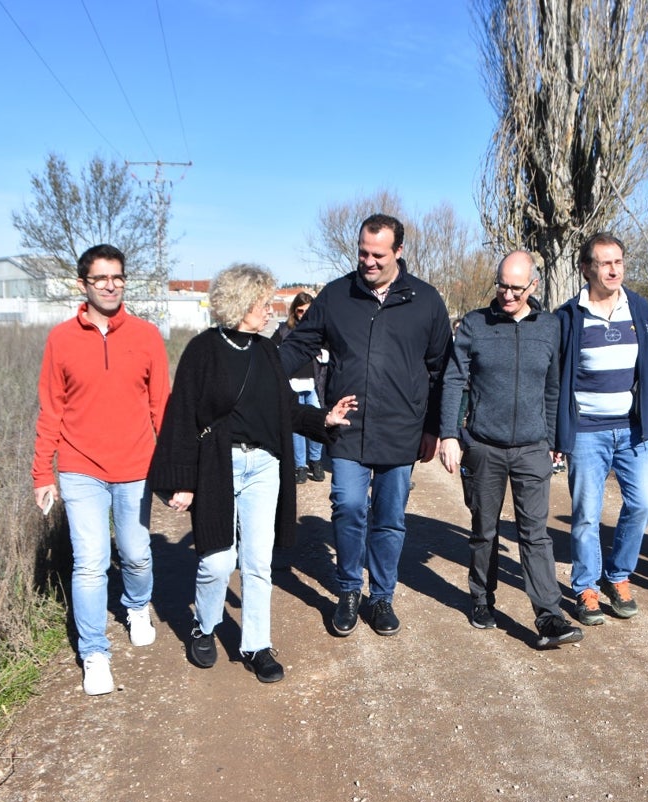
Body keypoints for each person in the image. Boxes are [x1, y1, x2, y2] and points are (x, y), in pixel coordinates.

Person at [148, 264, 357, 683]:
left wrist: (324, 421)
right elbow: (182, 416)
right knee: (218, 561)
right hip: (218, 466)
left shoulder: (266, 352)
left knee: (259, 562)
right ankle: (203, 626)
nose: (271, 312)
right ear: (242, 305)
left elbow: (285, 411)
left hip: (264, 466)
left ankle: (257, 644)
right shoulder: (202, 351)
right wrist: (182, 480)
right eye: (264, 304)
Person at [279, 213, 452, 637]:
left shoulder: (426, 301)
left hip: (402, 429)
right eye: (362, 252)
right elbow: (299, 344)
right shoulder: (337, 296)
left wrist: (434, 427)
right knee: (349, 505)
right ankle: (350, 590)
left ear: (399, 252)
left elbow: (441, 370)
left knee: (390, 518)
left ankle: (382, 597)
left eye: (378, 254)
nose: (368, 262)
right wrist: (255, 370)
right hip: (348, 426)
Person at [31, 244, 170, 696]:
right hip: (79, 467)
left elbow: (161, 407)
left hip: (135, 465)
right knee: (90, 562)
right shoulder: (61, 339)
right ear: (83, 285)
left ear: (124, 281)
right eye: (100, 279)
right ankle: (94, 653)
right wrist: (42, 473)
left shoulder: (147, 335)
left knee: (135, 552)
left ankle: (136, 605)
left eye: (117, 278)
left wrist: (172, 465)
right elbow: (50, 410)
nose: (110, 285)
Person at [438, 251, 583, 649]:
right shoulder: (475, 324)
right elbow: (454, 381)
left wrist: (554, 440)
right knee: (484, 530)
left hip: (532, 449)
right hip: (484, 446)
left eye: (517, 288)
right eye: (502, 285)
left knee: (534, 534)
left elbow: (554, 388)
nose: (507, 294)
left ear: (533, 286)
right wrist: (449, 435)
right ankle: (482, 598)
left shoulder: (550, 327)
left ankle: (549, 617)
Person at [556, 232, 648, 626]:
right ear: (586, 268)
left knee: (643, 504)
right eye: (604, 263)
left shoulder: (639, 309)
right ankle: (585, 586)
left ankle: (618, 576)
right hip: (587, 431)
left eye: (618, 261)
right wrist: (559, 433)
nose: (613, 269)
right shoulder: (569, 316)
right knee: (586, 513)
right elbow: (556, 379)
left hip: (634, 428)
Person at [272, 291, 326, 484]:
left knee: (318, 419)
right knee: (296, 425)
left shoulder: (319, 329)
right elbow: (271, 351)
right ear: (294, 311)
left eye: (308, 311)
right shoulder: (284, 330)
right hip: (292, 384)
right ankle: (300, 465)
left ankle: (316, 461)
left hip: (313, 383)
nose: (304, 315)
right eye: (300, 311)